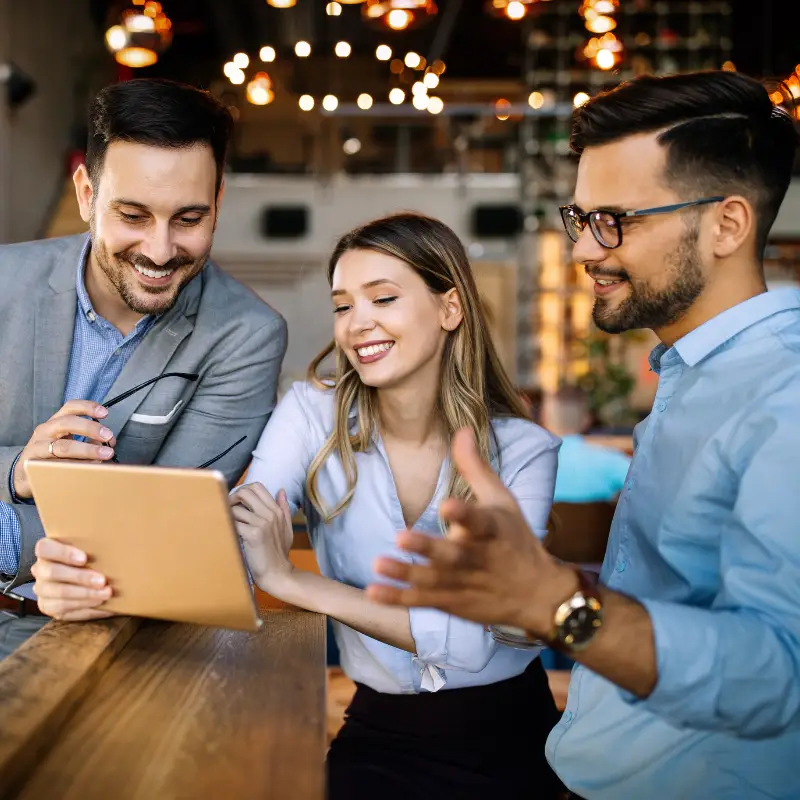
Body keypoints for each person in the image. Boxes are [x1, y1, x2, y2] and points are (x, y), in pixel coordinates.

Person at [367, 71, 800, 799]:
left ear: (727, 224)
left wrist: (560, 604)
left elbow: (781, 672)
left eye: (615, 221)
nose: (582, 252)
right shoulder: (693, 371)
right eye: (581, 219)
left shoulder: (782, 396)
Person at [230, 212, 565, 799]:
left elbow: (466, 643)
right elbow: (245, 521)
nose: (358, 323)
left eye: (382, 298)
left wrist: (291, 581)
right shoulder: (311, 413)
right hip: (381, 725)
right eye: (342, 306)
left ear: (449, 308)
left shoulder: (523, 450)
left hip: (513, 733)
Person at [0, 78, 287, 656]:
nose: (159, 251)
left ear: (219, 203)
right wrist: (17, 473)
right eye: (132, 215)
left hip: (95, 639)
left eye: (188, 219)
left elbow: (164, 537)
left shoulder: (247, 336)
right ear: (85, 194)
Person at [540, 386, 630, 504]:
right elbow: (649, 490)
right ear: (586, 420)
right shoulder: (613, 460)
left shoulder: (528, 463)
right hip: (600, 522)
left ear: (544, 417)